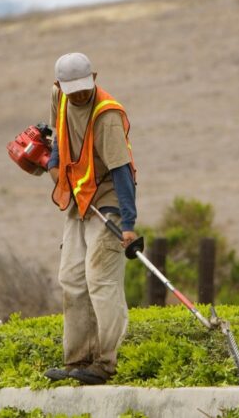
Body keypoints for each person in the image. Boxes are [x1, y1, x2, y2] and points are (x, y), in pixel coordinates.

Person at [44, 52, 138, 385]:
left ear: (94, 78)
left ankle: (105, 363)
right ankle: (77, 361)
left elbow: (122, 171)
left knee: (100, 278)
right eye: (73, 91)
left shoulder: (106, 115)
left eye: (85, 89)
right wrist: (53, 164)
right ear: (60, 86)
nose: (80, 95)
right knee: (71, 277)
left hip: (109, 199)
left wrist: (128, 225)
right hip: (78, 198)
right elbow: (59, 136)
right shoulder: (60, 97)